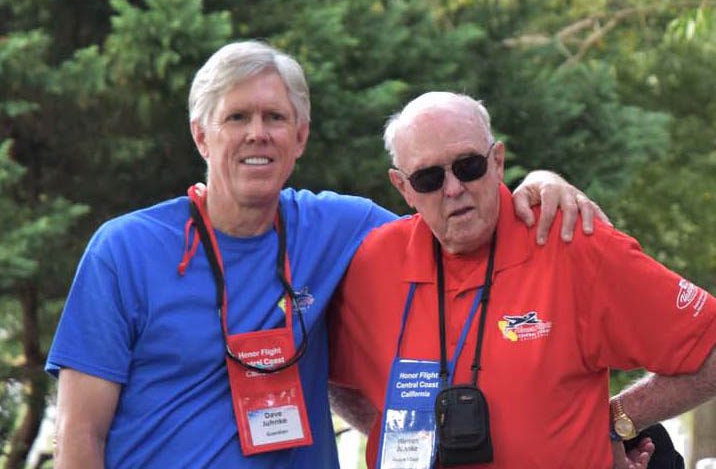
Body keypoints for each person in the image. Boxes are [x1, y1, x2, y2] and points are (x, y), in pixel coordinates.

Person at [46, 41, 607, 469]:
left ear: (300, 137)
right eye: (237, 118)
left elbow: (455, 223)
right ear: (201, 137)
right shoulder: (124, 251)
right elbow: (79, 433)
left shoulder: (340, 227)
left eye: (275, 118)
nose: (258, 134)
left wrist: (539, 181)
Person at [328, 91, 716, 469]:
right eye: (428, 178)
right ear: (403, 188)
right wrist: (393, 433)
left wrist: (619, 420)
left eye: (468, 166)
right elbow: (324, 369)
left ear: (497, 161)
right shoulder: (371, 265)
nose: (453, 188)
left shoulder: (571, 242)